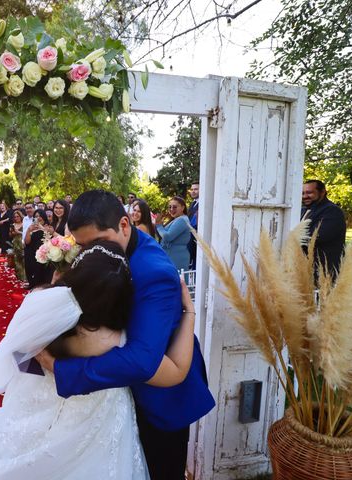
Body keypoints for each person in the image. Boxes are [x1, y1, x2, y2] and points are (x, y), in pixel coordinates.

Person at [0, 240, 197, 480]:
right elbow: (175, 373)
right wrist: (189, 314)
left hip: (41, 408)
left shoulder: (44, 304)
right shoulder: (117, 337)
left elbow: (16, 355)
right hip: (100, 420)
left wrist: (51, 368)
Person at [35, 190, 214, 480]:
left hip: (159, 398)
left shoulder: (153, 272)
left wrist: (61, 368)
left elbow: (143, 359)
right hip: (117, 391)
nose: (88, 253)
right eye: (81, 245)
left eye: (96, 243)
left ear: (124, 225)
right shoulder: (108, 249)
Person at [301, 179, 347, 279]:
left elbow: (315, 236)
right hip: (304, 269)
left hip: (324, 272)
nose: (305, 196)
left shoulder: (332, 211)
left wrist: (293, 236)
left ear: (322, 192)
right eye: (303, 193)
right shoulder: (303, 210)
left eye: (309, 192)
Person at [155, 196, 192, 272]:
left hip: (177, 257)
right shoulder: (177, 219)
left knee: (177, 281)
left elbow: (167, 236)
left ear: (182, 208)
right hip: (173, 256)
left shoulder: (182, 220)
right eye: (170, 207)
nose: (171, 209)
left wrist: (159, 225)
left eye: (175, 207)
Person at [23, 209, 53, 288]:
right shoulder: (32, 227)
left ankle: (40, 285)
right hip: (31, 251)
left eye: (40, 216)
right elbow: (27, 241)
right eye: (36, 216)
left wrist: (41, 227)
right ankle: (32, 284)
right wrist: (29, 230)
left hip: (43, 251)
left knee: (40, 270)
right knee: (30, 268)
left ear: (43, 216)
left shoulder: (48, 226)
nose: (38, 218)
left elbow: (50, 237)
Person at [9, 209, 26, 281]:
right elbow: (9, 235)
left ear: (20, 216)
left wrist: (18, 232)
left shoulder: (24, 223)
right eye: (15, 217)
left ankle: (25, 277)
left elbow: (26, 233)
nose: (16, 218)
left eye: (18, 216)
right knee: (17, 260)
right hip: (15, 243)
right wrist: (12, 233)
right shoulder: (13, 225)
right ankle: (19, 277)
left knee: (24, 260)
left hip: (23, 243)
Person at [187, 182, 199, 269]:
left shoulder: (203, 204)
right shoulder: (192, 204)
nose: (193, 191)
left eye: (196, 189)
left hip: (196, 240)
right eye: (192, 189)